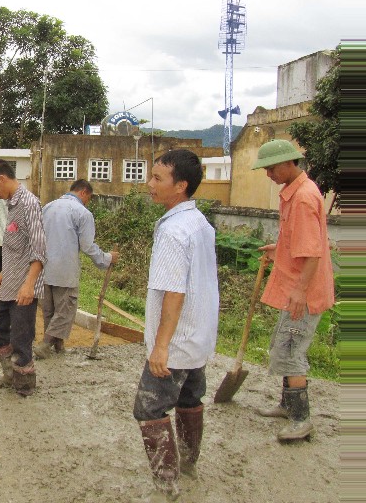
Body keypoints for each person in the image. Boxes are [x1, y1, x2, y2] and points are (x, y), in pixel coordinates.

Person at [133, 149, 219, 501]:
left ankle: (167, 484)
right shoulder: (200, 223)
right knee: (190, 397)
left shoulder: (173, 231)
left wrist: (161, 345)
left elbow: (174, 290)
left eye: (157, 178)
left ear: (180, 185)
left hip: (177, 340)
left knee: (148, 407)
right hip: (198, 336)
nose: (149, 184)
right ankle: (188, 463)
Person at [251, 139, 334, 442]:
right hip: (300, 285)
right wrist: (280, 249)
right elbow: (301, 242)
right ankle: (288, 405)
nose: (268, 174)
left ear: (288, 163)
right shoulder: (298, 192)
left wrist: (300, 291)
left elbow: (312, 253)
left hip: (305, 292)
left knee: (290, 348)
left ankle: (301, 419)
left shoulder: (301, 198)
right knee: (285, 342)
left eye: (271, 168)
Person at [0, 159, 46, 397]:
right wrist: (5, 272)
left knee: (21, 336)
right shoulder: (11, 204)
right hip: (10, 283)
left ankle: (24, 385)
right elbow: (17, 244)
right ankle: (10, 373)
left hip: (24, 287)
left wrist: (29, 286)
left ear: (2, 179)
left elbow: (39, 251)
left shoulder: (29, 204)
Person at [36, 179, 118, 359]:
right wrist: (108, 258)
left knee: (51, 311)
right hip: (65, 270)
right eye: (88, 198)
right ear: (84, 193)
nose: (87, 201)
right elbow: (88, 246)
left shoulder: (48, 207)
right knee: (65, 311)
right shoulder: (82, 212)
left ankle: (58, 348)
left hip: (44, 268)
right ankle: (45, 344)